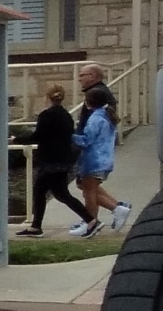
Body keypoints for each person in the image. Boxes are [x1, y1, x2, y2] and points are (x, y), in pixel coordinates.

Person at [22, 83, 89, 235]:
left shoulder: (46, 115)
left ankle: (91, 220)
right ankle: (35, 226)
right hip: (63, 160)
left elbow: (38, 136)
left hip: (50, 161)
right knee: (43, 191)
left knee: (60, 194)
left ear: (47, 97)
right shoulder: (66, 115)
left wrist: (16, 140)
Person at [72, 69, 131, 235]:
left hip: (93, 159)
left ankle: (96, 219)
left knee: (88, 191)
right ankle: (110, 211)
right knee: (88, 188)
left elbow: (87, 139)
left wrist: (69, 136)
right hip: (104, 159)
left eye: (83, 75)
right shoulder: (106, 116)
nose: (80, 78)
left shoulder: (96, 119)